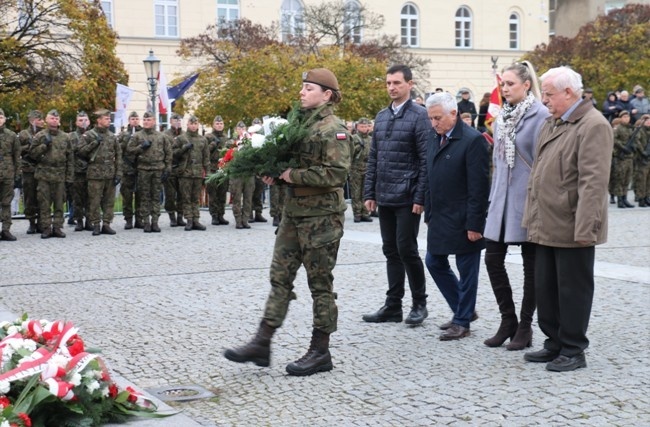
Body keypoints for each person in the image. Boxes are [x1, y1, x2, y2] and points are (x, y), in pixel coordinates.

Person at [224, 68, 352, 376]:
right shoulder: (297, 125)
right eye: (302, 87)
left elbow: (336, 174)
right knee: (279, 277)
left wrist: (290, 175)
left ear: (327, 95)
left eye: (309, 88)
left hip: (322, 218)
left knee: (320, 284)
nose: (302, 92)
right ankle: (262, 342)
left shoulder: (333, 128)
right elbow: (292, 166)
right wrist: (275, 174)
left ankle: (320, 350)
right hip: (294, 213)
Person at [522, 66, 613, 372]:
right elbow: (539, 173)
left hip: (574, 225)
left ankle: (573, 349)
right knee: (546, 287)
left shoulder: (593, 125)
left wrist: (587, 227)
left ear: (569, 93)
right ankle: (554, 342)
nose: (543, 99)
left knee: (572, 289)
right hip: (546, 221)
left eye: (548, 94)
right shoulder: (552, 122)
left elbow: (593, 182)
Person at [483, 62, 549, 350]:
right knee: (492, 259)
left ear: (526, 85)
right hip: (501, 199)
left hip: (528, 199)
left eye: (510, 84)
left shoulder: (541, 116)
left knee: (530, 265)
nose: (505, 89)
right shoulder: (501, 118)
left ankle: (525, 325)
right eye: (503, 84)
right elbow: (498, 163)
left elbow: (543, 163)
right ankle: (507, 319)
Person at [362, 64, 429, 326]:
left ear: (409, 84)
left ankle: (419, 303)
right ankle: (393, 305)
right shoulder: (381, 116)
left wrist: (420, 196)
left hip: (408, 195)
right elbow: (374, 157)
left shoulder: (420, 116)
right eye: (388, 83)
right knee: (390, 250)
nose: (391, 87)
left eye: (397, 83)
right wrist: (370, 192)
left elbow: (425, 160)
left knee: (407, 249)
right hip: (385, 194)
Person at [424, 92, 490, 340]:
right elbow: (429, 174)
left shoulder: (473, 141)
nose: (434, 123)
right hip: (440, 215)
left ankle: (462, 321)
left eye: (438, 118)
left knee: (467, 270)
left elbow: (479, 187)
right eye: (431, 118)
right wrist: (428, 210)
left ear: (453, 114)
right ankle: (465, 309)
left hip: (464, 217)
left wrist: (475, 223)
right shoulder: (435, 137)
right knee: (434, 262)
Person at [29, 110, 74, 239]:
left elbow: (70, 158)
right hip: (44, 174)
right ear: (46, 120)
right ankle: (46, 227)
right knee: (44, 203)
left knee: (59, 203)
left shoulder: (65, 137)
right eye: (52, 118)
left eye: (56, 118)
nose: (54, 120)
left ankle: (58, 227)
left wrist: (69, 177)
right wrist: (44, 145)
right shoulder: (40, 136)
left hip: (59, 174)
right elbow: (32, 154)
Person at [77, 109, 122, 235]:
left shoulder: (112, 136)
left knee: (109, 201)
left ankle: (106, 223)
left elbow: (118, 156)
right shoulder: (89, 135)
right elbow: (80, 152)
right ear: (99, 120)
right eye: (106, 118)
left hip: (109, 173)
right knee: (94, 200)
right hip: (95, 174)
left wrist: (118, 173)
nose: (109, 120)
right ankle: (96, 224)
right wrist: (94, 143)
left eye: (109, 118)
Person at [127, 111, 172, 233]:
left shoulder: (161, 136)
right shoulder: (137, 136)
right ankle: (146, 221)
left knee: (156, 196)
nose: (146, 122)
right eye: (145, 120)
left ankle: (155, 222)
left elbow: (168, 153)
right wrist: (141, 147)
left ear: (154, 121)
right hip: (143, 170)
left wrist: (167, 169)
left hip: (158, 169)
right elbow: (129, 151)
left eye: (149, 120)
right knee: (144, 196)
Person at [174, 115, 209, 231]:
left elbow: (206, 158)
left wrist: (207, 173)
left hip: (198, 173)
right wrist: (184, 148)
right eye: (191, 123)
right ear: (187, 124)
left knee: (195, 198)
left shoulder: (202, 139)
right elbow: (173, 154)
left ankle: (196, 220)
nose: (193, 126)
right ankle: (189, 219)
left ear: (197, 125)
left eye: (195, 124)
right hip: (185, 172)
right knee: (186, 198)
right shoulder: (181, 138)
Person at [18, 110, 45, 234]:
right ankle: (31, 222)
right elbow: (17, 150)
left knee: (42, 196)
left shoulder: (45, 134)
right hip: (28, 169)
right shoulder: (23, 134)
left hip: (42, 168)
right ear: (32, 120)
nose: (41, 122)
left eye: (42, 119)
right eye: (38, 119)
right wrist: (30, 146)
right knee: (29, 196)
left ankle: (41, 221)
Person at [118, 111, 143, 229]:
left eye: (137, 118)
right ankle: (128, 219)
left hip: (140, 169)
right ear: (129, 120)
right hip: (127, 170)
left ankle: (139, 219)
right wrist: (126, 139)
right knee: (127, 196)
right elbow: (118, 150)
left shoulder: (143, 133)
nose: (135, 121)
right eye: (133, 118)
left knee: (140, 196)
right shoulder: (123, 134)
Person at [228, 121, 255, 229]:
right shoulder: (232, 142)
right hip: (237, 174)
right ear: (236, 130)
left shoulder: (251, 141)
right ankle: (238, 220)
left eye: (243, 128)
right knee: (237, 198)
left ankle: (245, 220)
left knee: (248, 198)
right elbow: (227, 155)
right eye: (239, 128)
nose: (241, 130)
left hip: (248, 173)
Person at [68, 112, 92, 232]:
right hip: (77, 171)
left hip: (91, 171)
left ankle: (89, 220)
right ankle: (79, 221)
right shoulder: (71, 137)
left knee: (90, 198)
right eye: (80, 120)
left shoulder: (93, 135)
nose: (83, 122)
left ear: (89, 122)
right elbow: (69, 154)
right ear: (76, 122)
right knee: (77, 199)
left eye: (85, 120)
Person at [205, 115, 230, 225]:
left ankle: (221, 215)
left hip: (223, 168)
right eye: (217, 124)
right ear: (213, 125)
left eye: (221, 124)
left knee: (222, 193)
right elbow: (204, 152)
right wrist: (213, 144)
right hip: (212, 168)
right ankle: (214, 215)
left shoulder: (226, 138)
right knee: (213, 193)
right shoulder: (208, 137)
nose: (219, 125)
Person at [0, 108, 21, 241]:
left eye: (0, 117)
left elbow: (17, 156)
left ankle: (6, 229)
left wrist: (17, 174)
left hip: (7, 173)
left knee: (6, 202)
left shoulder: (11, 135)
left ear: (4, 119)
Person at [163, 113, 185, 227]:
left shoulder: (185, 134)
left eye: (179, 121)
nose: (177, 123)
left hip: (182, 168)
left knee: (182, 194)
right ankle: (172, 216)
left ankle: (180, 216)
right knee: (170, 195)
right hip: (170, 168)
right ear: (170, 121)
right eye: (175, 121)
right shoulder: (165, 135)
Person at [350, 118, 373, 222]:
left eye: (366, 126)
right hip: (356, 168)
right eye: (362, 126)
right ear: (357, 127)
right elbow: (349, 154)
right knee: (356, 192)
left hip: (367, 167)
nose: (364, 128)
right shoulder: (353, 138)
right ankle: (357, 213)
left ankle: (365, 212)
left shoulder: (370, 139)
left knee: (365, 192)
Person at [612, 110, 636, 208]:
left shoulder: (630, 129)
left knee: (627, 179)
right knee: (620, 179)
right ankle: (620, 200)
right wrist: (623, 147)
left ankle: (625, 198)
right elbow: (614, 139)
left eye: (628, 117)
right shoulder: (618, 128)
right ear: (621, 118)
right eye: (624, 117)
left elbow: (634, 139)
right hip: (620, 157)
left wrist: (633, 147)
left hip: (629, 157)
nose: (626, 118)